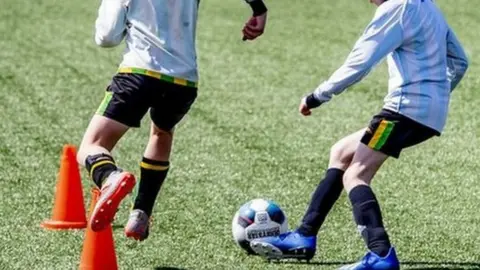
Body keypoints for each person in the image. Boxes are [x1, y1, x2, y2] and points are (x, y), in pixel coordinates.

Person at [250, 0, 468, 269]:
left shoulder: (396, 8)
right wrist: (436, 97)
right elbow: (460, 61)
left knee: (356, 175)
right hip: (427, 113)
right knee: (341, 152)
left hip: (404, 110)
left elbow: (360, 63)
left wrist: (317, 96)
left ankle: (381, 254)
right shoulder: (429, 7)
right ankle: (304, 236)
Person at [77, 0, 269, 241]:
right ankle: (141, 214)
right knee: (161, 133)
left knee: (92, 146)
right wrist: (259, 9)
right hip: (184, 80)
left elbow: (107, 36)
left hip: (139, 73)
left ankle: (109, 176)